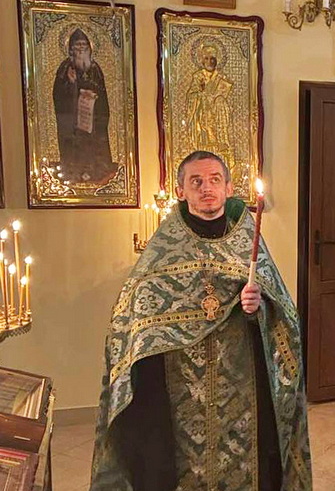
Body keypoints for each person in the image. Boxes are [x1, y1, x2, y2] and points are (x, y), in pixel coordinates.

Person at [90, 151, 312, 491]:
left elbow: (283, 318)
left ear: (229, 188)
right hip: (177, 379)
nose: (206, 188)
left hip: (241, 376)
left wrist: (258, 308)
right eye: (196, 182)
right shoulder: (164, 248)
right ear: (181, 191)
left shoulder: (248, 241)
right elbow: (135, 310)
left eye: (214, 180)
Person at [53, 28, 117, 184]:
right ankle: (73, 173)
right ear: (71, 48)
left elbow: (102, 93)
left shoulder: (95, 68)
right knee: (74, 146)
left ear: (89, 47)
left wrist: (92, 96)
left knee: (93, 145)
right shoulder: (65, 68)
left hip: (92, 118)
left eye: (83, 44)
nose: (81, 48)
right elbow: (58, 94)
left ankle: (95, 172)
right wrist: (70, 84)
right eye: (77, 45)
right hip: (72, 120)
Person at [187, 45, 235, 175]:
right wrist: (201, 94)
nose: (209, 62)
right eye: (206, 58)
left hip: (217, 113)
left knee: (220, 102)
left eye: (212, 58)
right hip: (203, 112)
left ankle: (222, 141)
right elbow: (191, 95)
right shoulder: (198, 76)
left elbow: (227, 96)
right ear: (202, 61)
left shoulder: (221, 77)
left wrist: (217, 99)